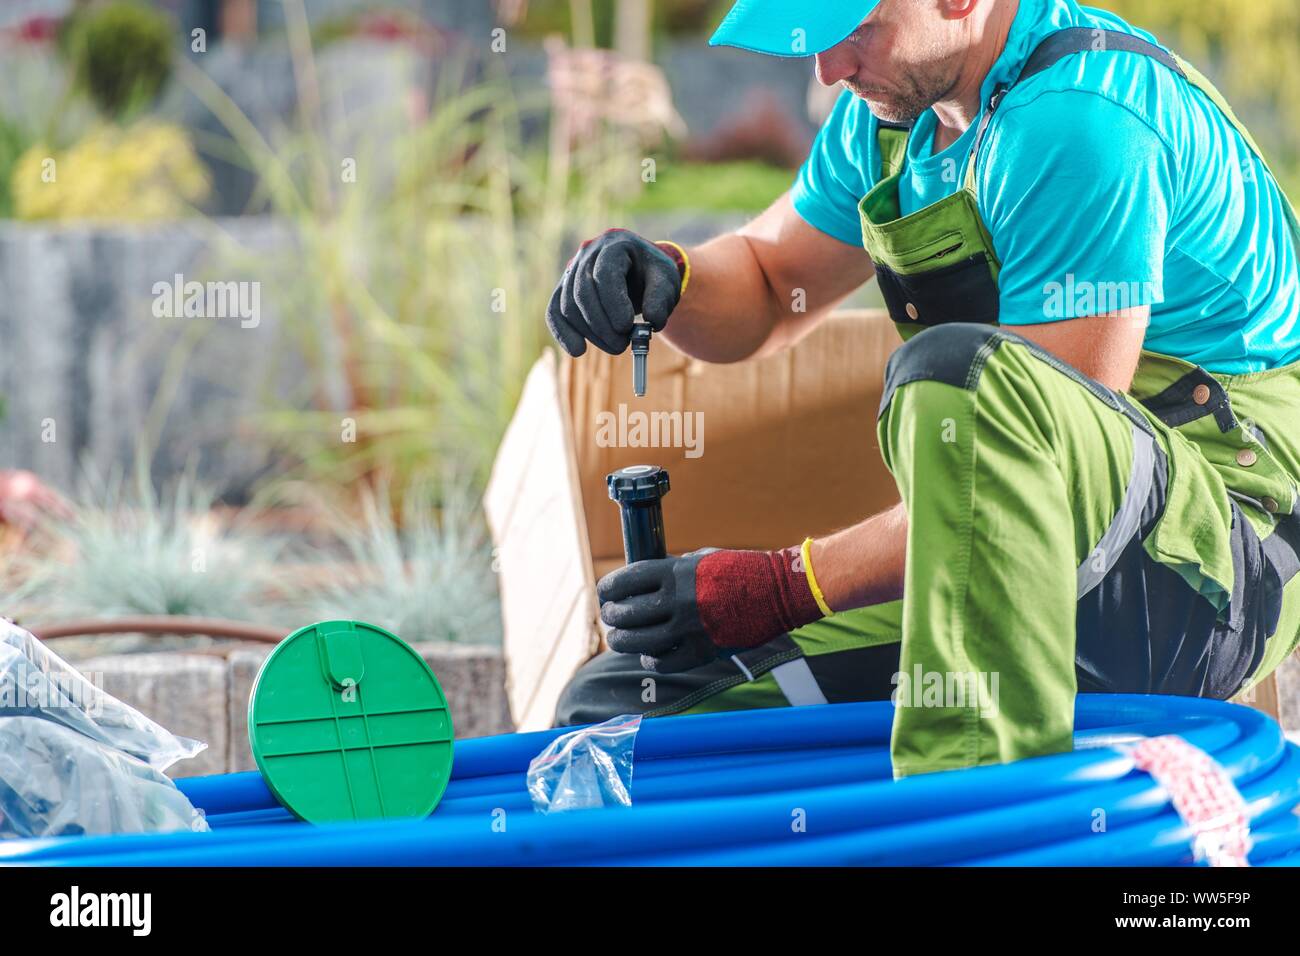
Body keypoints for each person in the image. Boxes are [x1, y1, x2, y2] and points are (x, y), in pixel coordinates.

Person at [545, 0, 1300, 778]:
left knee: (958, 374)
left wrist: (783, 585)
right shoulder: (899, 113)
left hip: (1204, 575)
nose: (827, 70)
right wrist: (667, 277)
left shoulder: (1080, 122)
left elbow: (1039, 484)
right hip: (1012, 555)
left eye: (854, 35)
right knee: (623, 714)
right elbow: (773, 282)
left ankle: (968, 827)